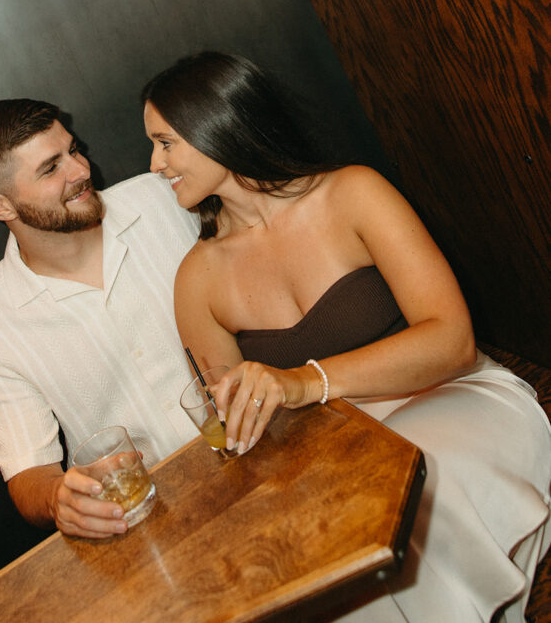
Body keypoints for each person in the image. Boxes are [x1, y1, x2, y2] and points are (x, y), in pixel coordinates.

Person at [141, 51, 551, 623]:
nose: (155, 165)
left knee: (399, 508)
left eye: (165, 143)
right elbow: (239, 425)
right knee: (316, 553)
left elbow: (452, 341)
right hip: (333, 459)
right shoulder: (196, 280)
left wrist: (306, 382)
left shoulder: (353, 194)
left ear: (218, 126)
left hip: (452, 399)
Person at [0, 98, 198, 539]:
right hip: (152, 527)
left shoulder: (163, 199)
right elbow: (29, 473)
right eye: (50, 169)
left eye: (74, 150)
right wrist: (60, 499)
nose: (81, 170)